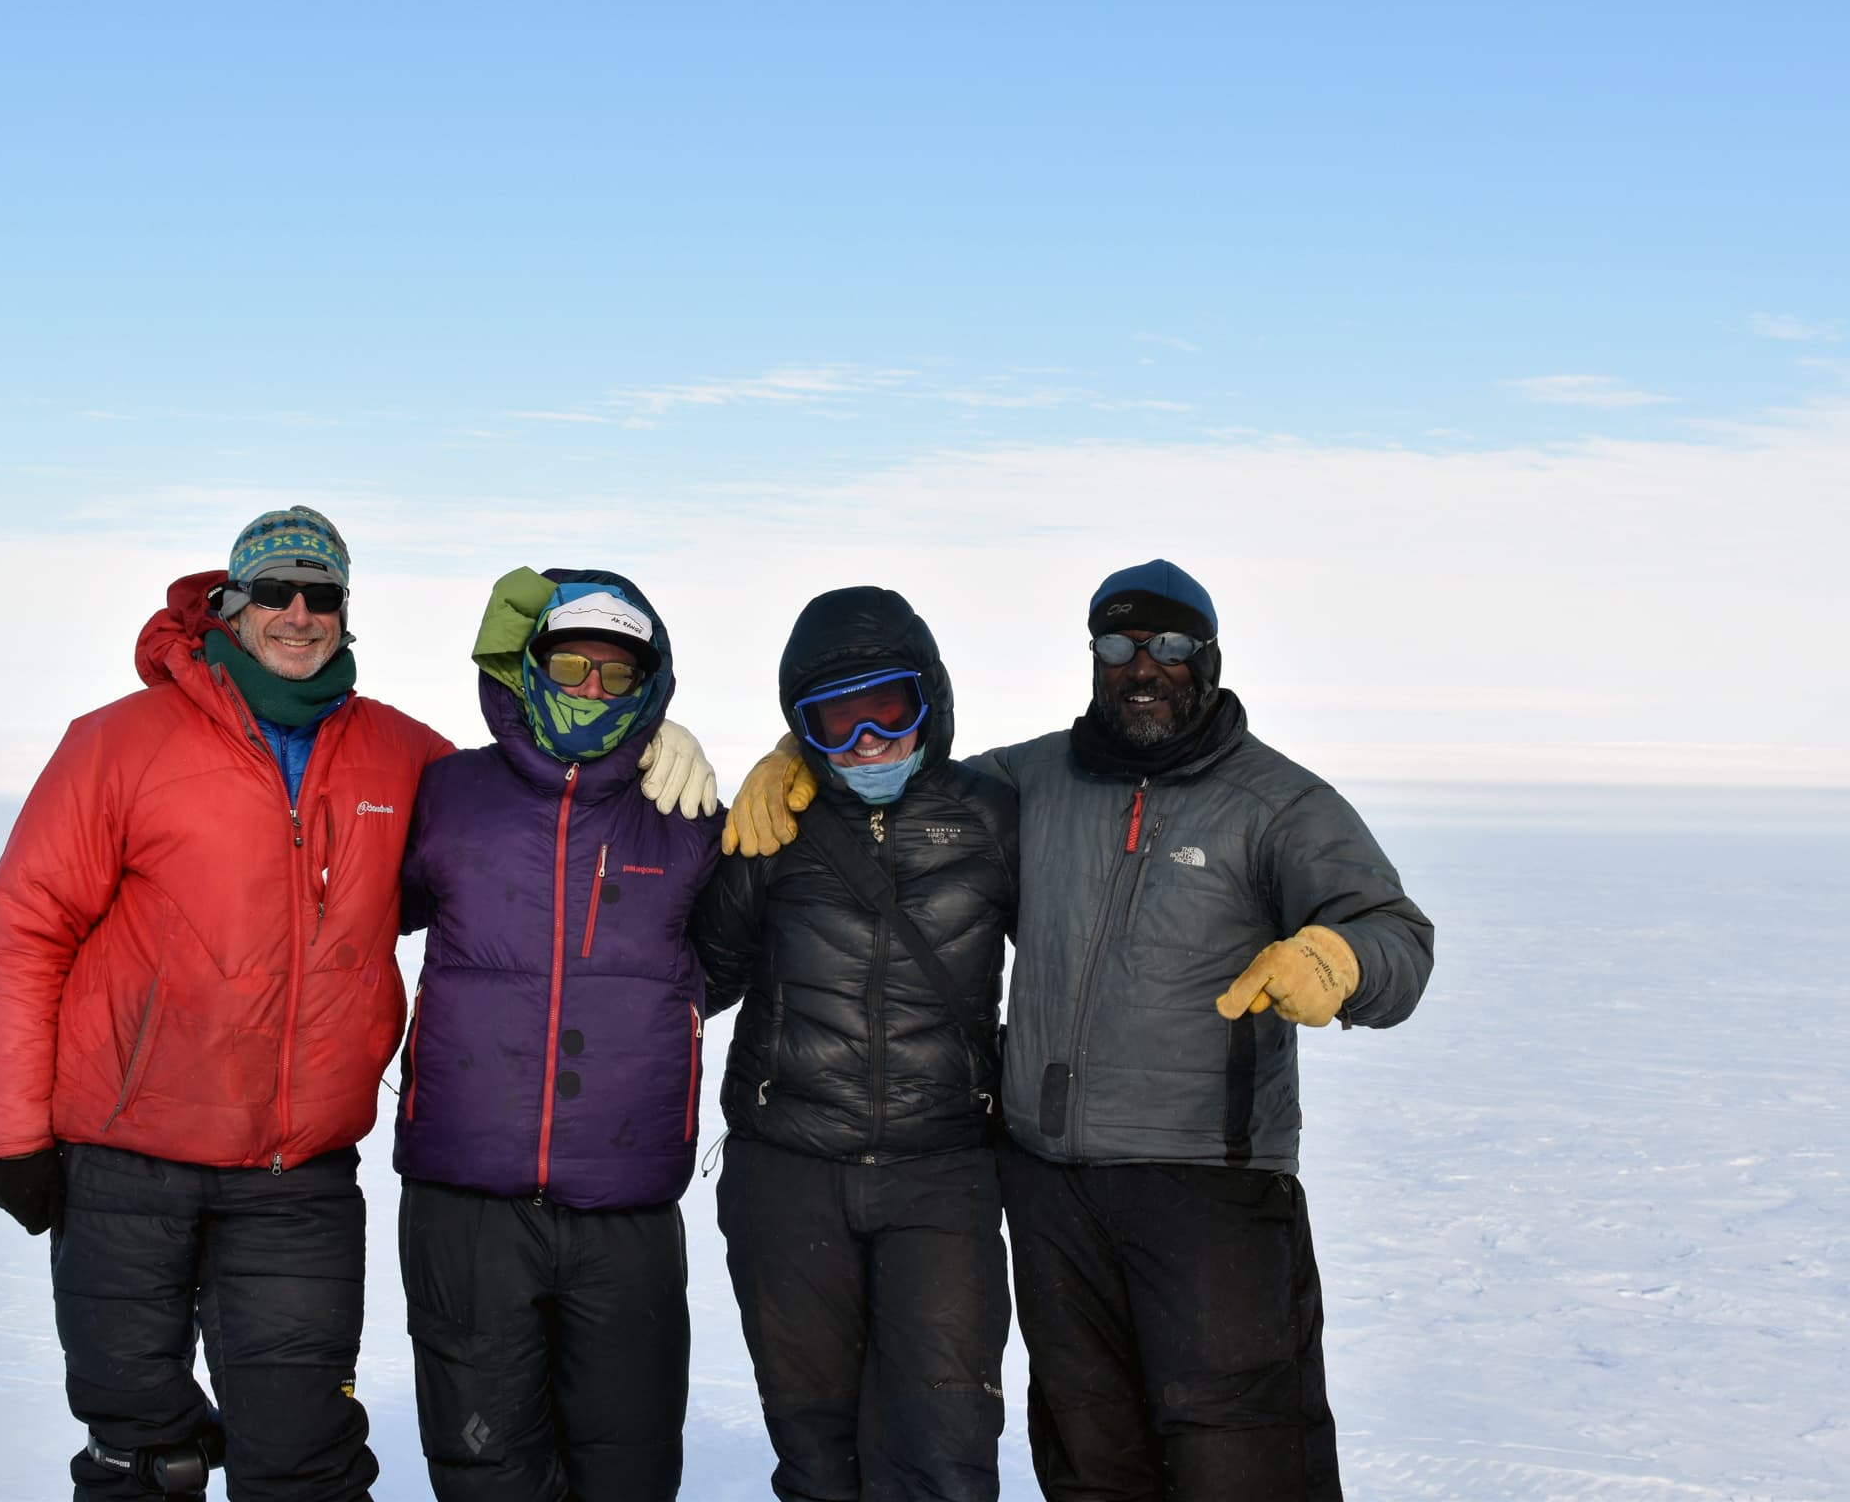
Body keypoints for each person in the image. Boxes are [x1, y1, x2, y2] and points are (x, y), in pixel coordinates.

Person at [0, 512, 717, 1502]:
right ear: (229, 607)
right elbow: (25, 932)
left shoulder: (402, 757)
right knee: (142, 1450)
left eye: (321, 594)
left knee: (305, 1462)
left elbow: (538, 798)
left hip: (296, 1177)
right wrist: (18, 1136)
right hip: (124, 1159)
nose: (299, 612)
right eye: (274, 592)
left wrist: (655, 742)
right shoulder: (118, 742)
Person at [723, 559, 1435, 1502]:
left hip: (1209, 1186)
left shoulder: (1279, 803)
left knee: (1242, 1457)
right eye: (1117, 645)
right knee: (1091, 1463)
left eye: (1170, 646)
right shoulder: (1032, 781)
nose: (1143, 667)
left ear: (1208, 657)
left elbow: (1397, 936)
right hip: (1052, 1188)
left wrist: (1342, 960)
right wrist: (792, 757)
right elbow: (901, 779)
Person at [392, 567, 722, 1502]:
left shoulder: (684, 814)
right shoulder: (449, 792)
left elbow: (726, 961)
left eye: (618, 674)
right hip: (466, 1203)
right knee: (484, 1468)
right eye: (571, 666)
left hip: (626, 1204)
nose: (592, 689)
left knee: (629, 1469)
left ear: (651, 686)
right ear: (530, 668)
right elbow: (360, 909)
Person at [691, 586, 1019, 1502]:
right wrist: (736, 850)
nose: (867, 741)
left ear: (930, 700)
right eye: (835, 721)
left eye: (889, 709)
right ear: (801, 728)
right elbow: (703, 980)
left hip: (941, 1176)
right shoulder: (775, 824)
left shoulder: (993, 817)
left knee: (946, 1456)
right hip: (788, 1176)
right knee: (818, 1459)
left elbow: (1077, 958)